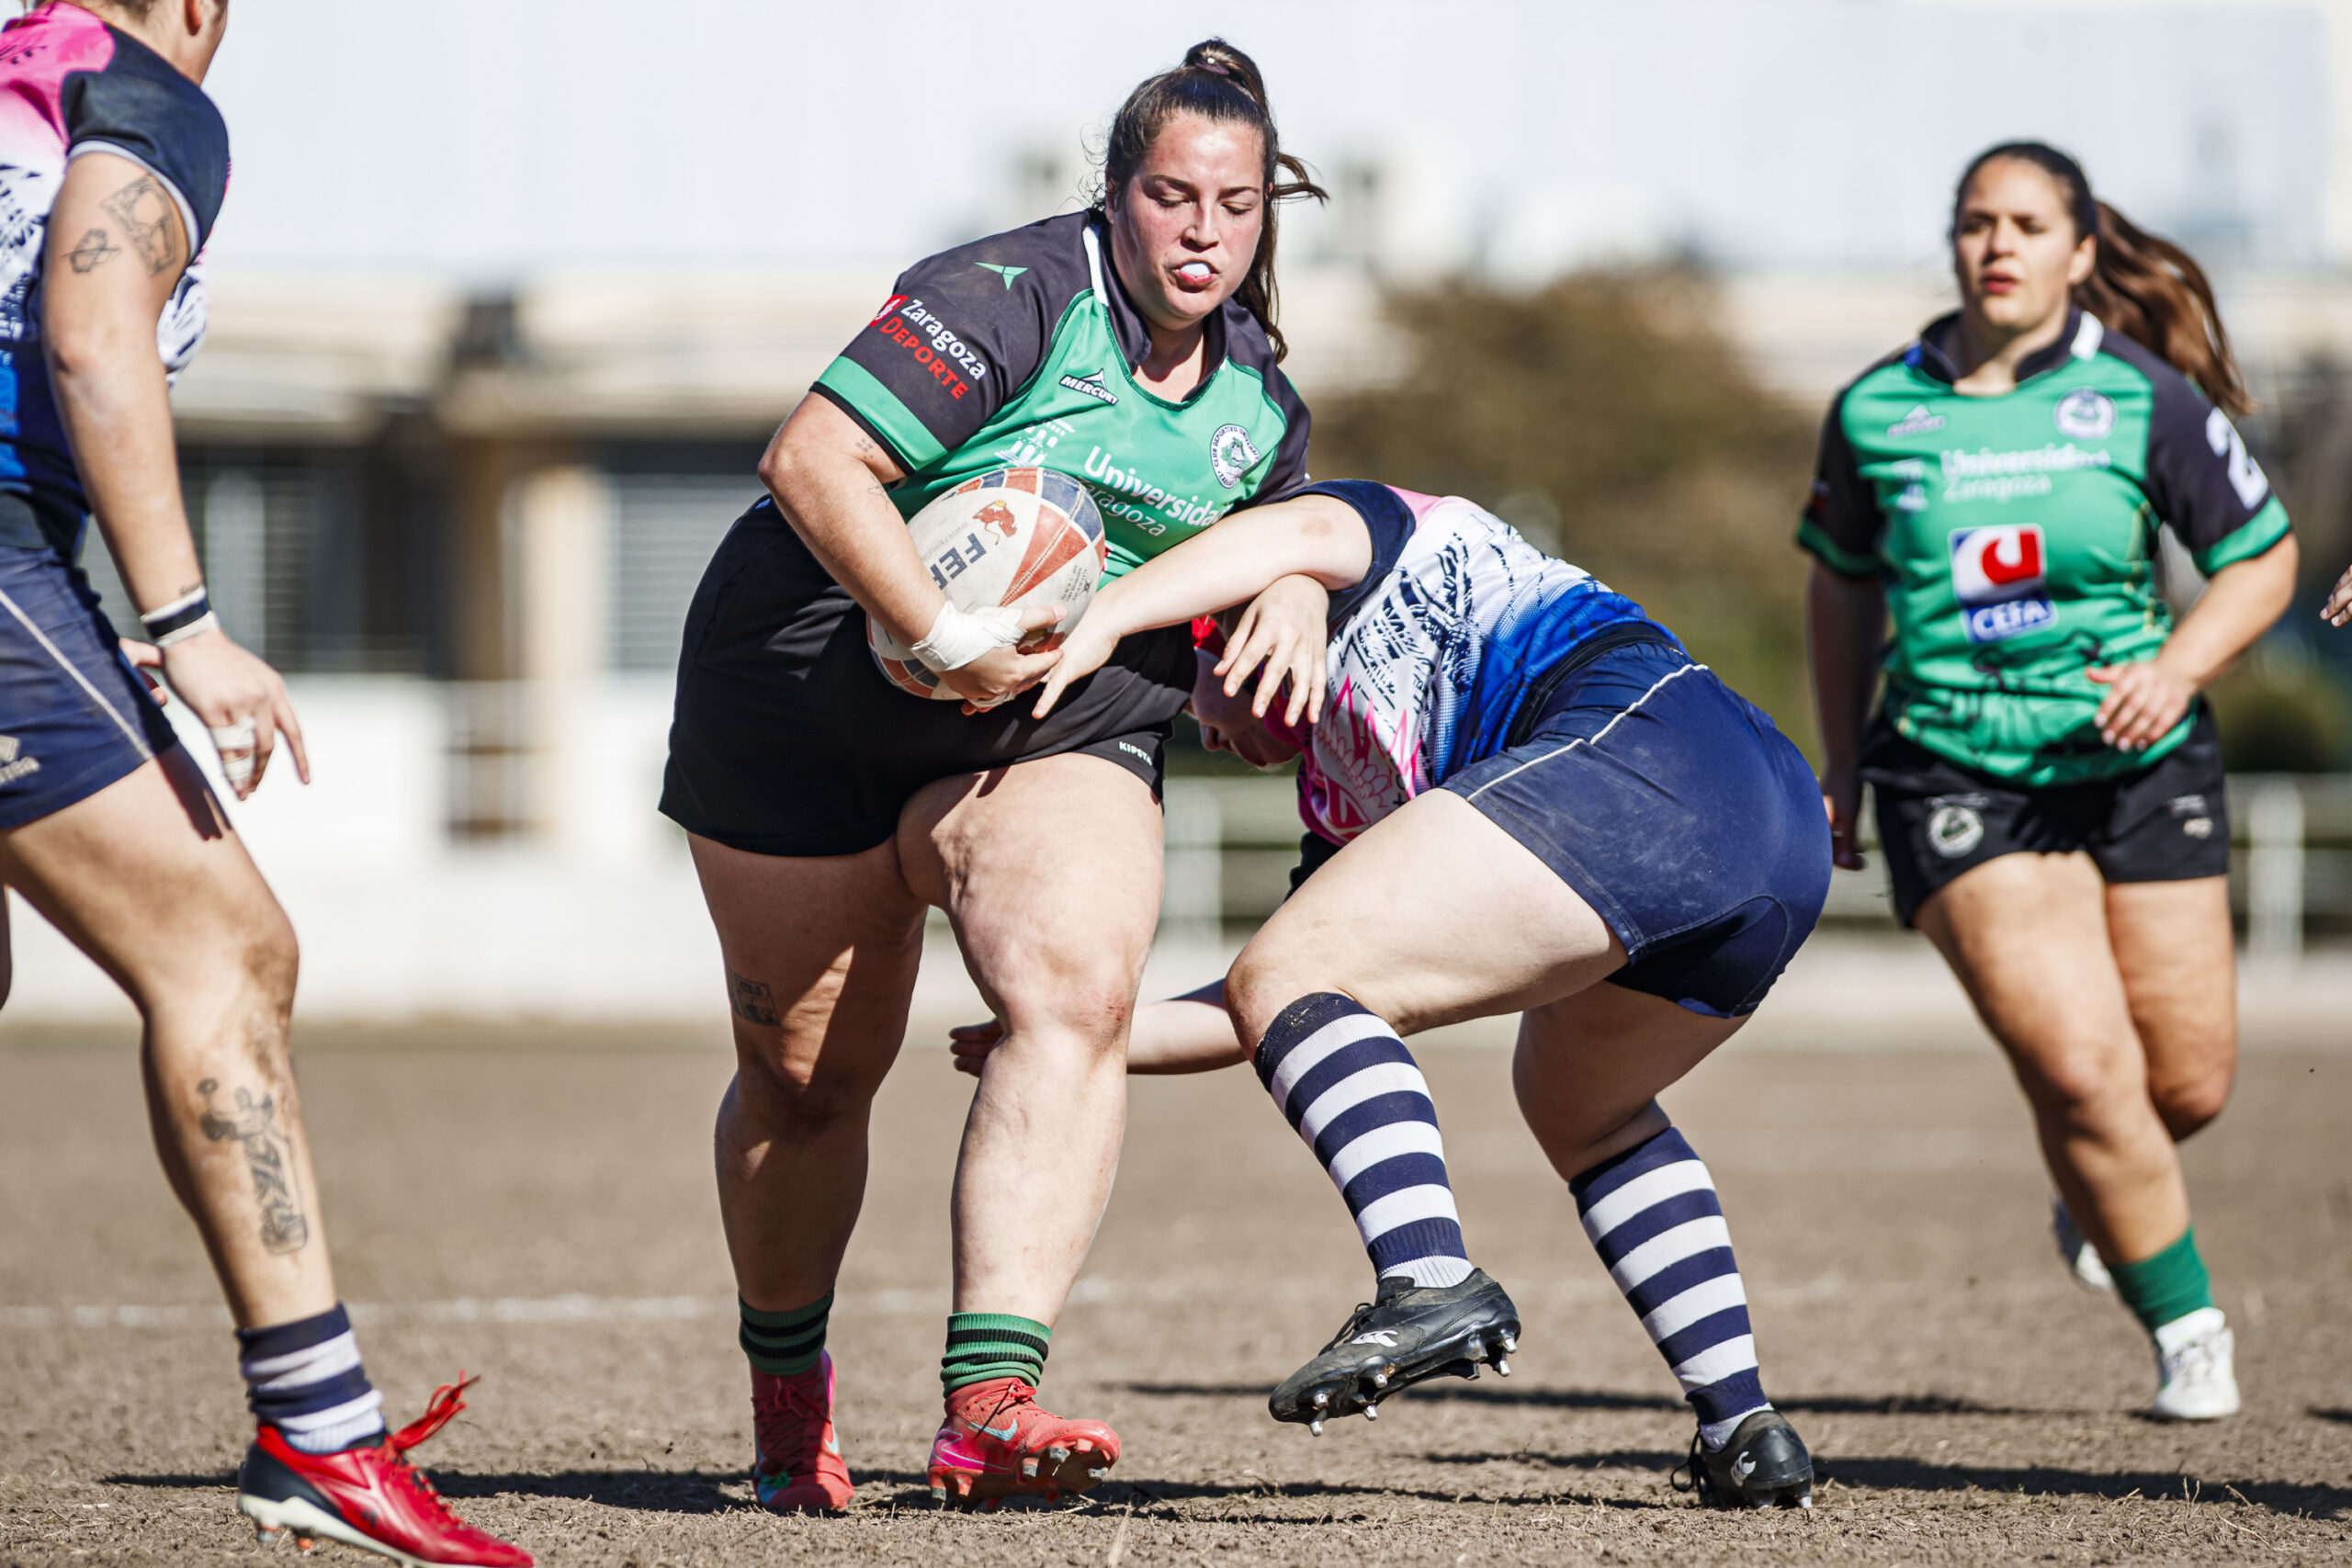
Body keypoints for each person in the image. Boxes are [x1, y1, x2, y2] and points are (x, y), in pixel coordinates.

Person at [658, 39, 1330, 1511]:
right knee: (808, 1082)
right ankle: (789, 1402)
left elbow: (1280, 537)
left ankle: (989, 1403)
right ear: (1115, 195)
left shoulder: (1261, 409)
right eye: (1171, 195)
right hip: (805, 694)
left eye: (1236, 202)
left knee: (1079, 988)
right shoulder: (1011, 297)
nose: (1205, 230)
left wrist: (1292, 590)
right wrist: (944, 628)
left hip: (1046, 726)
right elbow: (810, 458)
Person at [965, 479, 1833, 1508]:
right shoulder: (1340, 791)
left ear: (1216, 631)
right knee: (1583, 1112)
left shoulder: (1358, 532)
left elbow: (1297, 531)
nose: (1193, 730)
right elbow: (1262, 1011)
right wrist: (1067, 1032)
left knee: (1297, 968)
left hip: (1651, 751)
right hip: (1771, 828)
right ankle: (1743, 1426)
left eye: (1180, 693)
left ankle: (1427, 1280)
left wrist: (1105, 616)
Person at [0, 3, 532, 1564]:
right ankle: (323, 1431)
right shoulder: (134, 88)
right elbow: (93, 334)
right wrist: (186, 628)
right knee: (227, 949)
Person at [1803, 141, 2296, 1421]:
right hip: (1954, 769)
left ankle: (2101, 1191)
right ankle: (2188, 1326)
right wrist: (1841, 762)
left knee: (2185, 1084)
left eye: (2028, 224)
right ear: (1954, 242)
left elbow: (2264, 559)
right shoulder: (1875, 409)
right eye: (1976, 221)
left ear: (2082, 252)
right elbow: (1841, 586)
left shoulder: (2142, 397)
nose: (1997, 243)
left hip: (2138, 757)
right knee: (2083, 1070)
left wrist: (2182, 666)